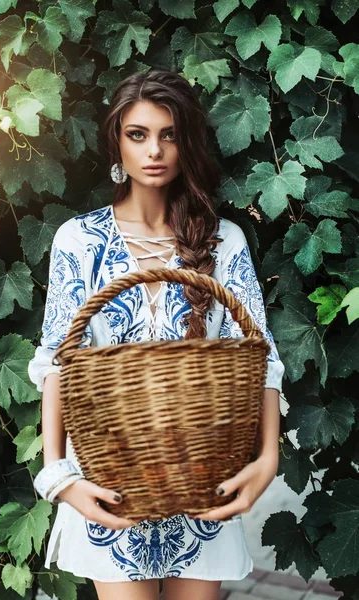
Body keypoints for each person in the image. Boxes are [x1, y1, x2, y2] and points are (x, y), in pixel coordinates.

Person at [28, 69, 285, 600]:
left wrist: (268, 457)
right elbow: (58, 359)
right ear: (116, 143)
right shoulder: (77, 240)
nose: (154, 150)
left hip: (202, 470)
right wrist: (58, 475)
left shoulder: (223, 240)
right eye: (138, 134)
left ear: (187, 143)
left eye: (169, 134)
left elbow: (262, 355)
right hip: (110, 477)